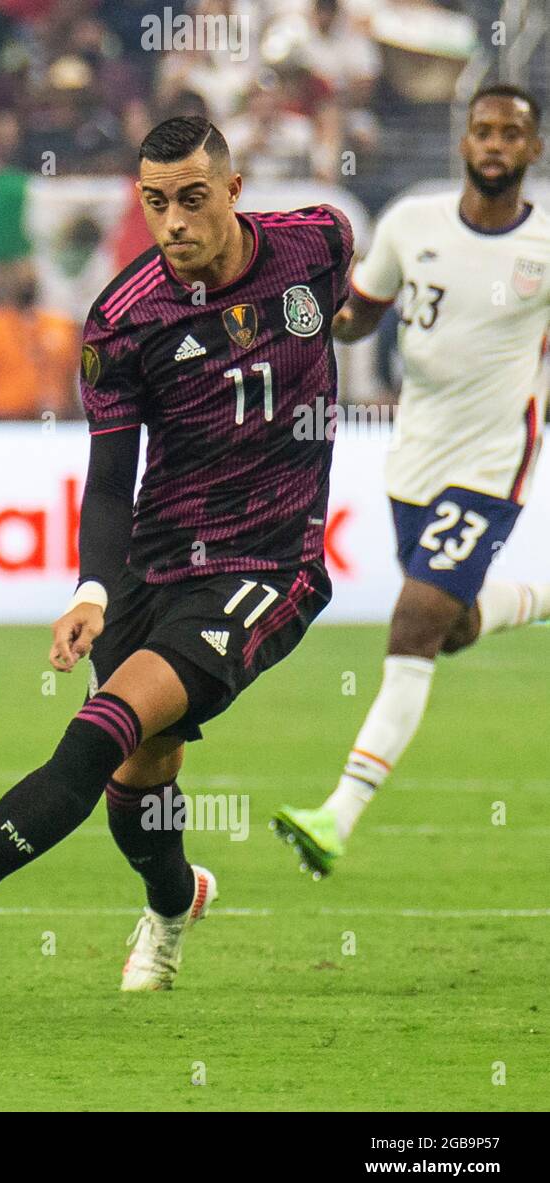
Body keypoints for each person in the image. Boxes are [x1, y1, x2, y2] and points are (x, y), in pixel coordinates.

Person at [0, 116, 353, 991]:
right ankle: (175, 897)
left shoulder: (318, 245)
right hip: (155, 565)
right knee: (139, 775)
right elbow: (111, 481)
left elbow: (355, 302)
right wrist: (92, 592)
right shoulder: (124, 320)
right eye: (155, 204)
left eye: (193, 199)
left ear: (232, 190)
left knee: (97, 734)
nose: (174, 222)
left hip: (270, 564)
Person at [273, 85, 550, 876]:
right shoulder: (409, 223)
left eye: (512, 134)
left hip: (493, 463)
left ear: (532, 151)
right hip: (413, 458)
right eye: (484, 130)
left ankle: (337, 814)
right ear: (466, 142)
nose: (495, 144)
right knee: (452, 626)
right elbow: (358, 315)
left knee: (413, 625)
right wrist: (304, 309)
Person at [0, 261, 80, 418]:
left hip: (54, 423)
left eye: (30, 276)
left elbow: (73, 379)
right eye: (19, 276)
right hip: (4, 423)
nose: (25, 282)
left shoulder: (61, 324)